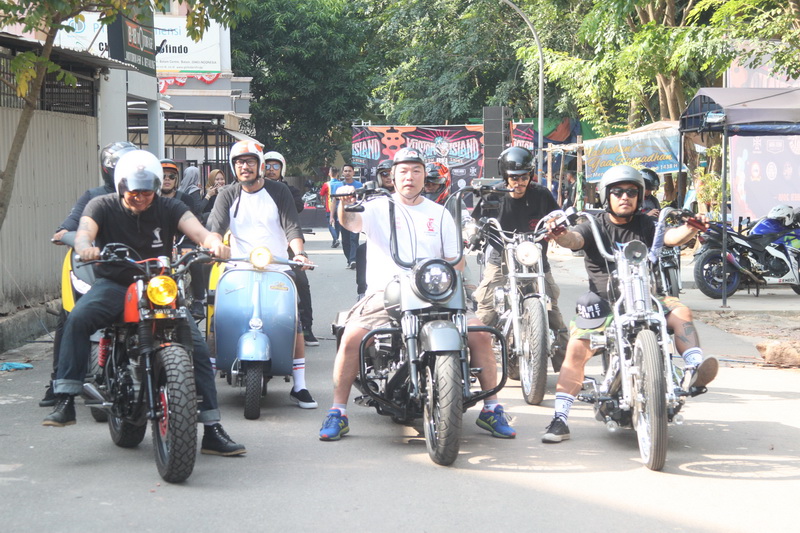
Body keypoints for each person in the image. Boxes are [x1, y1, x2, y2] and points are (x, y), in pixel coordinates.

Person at [42, 149, 246, 456]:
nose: (140, 198)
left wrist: (214, 242)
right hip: (115, 283)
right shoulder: (101, 205)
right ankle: (66, 398)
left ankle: (212, 428)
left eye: (147, 192)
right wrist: (85, 247)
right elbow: (84, 233)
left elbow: (199, 231)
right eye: (134, 192)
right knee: (78, 318)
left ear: (156, 187)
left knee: (198, 348)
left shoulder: (170, 206)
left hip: (158, 285)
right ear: (121, 186)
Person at [319, 147, 516, 441]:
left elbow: (456, 260)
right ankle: (338, 411)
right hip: (386, 292)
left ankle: (491, 408)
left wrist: (440, 277)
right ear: (392, 176)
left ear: (425, 177)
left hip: (436, 291)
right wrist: (345, 204)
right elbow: (350, 223)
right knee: (352, 337)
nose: (409, 177)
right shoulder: (376, 207)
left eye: (416, 171)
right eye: (403, 171)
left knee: (479, 333)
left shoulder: (440, 213)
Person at [541, 164, 719, 444]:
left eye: (632, 192)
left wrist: (691, 227)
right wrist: (559, 233)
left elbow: (670, 237)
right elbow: (573, 239)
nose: (625, 197)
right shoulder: (594, 224)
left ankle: (695, 368)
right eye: (618, 192)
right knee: (576, 349)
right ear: (606, 195)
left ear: (639, 196)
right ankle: (560, 418)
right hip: (604, 301)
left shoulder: (646, 224)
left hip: (646, 297)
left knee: (681, 311)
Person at [207, 141, 318, 408]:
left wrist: (299, 254)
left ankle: (300, 385)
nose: (244, 167)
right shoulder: (227, 194)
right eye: (239, 162)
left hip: (276, 267)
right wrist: (214, 246)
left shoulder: (279, 191)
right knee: (218, 317)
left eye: (249, 162)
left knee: (293, 320)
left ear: (259, 165)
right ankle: (207, 383)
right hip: (238, 267)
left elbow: (292, 227)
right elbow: (215, 228)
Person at [42, 141, 138, 407]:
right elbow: (67, 228)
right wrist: (74, 239)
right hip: (96, 270)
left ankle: (184, 385)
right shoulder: (95, 199)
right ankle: (58, 382)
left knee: (176, 319)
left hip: (140, 272)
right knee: (71, 315)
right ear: (108, 170)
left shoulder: (149, 198)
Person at [471, 146, 569, 367]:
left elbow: (557, 215)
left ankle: (566, 368)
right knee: (485, 307)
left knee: (552, 308)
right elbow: (476, 222)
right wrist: (475, 232)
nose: (519, 182)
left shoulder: (541, 195)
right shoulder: (493, 195)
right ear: (505, 176)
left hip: (534, 258)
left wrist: (557, 223)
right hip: (501, 258)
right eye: (514, 177)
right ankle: (469, 364)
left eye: (524, 177)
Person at [262, 150, 319, 347]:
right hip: (260, 247)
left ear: (282, 169)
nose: (271, 170)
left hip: (288, 245)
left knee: (301, 281)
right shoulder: (255, 190)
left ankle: (306, 326)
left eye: (275, 166)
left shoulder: (290, 191)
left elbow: (296, 208)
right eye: (267, 166)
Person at [159, 159, 207, 319]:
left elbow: (193, 223)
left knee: (194, 258)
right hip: (159, 242)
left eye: (171, 176)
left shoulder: (186, 199)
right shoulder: (151, 198)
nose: (167, 179)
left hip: (183, 240)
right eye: (163, 176)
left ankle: (199, 300)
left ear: (176, 179)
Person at [354, 159, 394, 300]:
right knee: (362, 250)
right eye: (384, 174)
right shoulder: (371, 195)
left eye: (391, 173)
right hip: (379, 237)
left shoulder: (408, 196)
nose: (388, 177)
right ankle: (362, 293)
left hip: (404, 238)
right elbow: (358, 222)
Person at [330, 163, 362, 269]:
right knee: (345, 241)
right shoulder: (338, 186)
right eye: (345, 171)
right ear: (343, 172)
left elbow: (363, 200)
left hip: (355, 217)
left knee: (354, 239)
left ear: (353, 172)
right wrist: (331, 216)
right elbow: (334, 202)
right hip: (342, 217)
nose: (347, 173)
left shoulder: (359, 185)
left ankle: (353, 260)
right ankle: (349, 259)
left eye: (349, 171)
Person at [320, 166, 341, 248]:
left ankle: (335, 239)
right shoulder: (341, 183)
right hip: (340, 208)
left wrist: (322, 202)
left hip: (330, 207)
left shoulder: (326, 184)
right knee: (338, 225)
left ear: (329, 174)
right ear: (337, 174)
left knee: (330, 224)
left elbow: (321, 195)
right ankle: (335, 240)